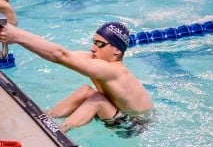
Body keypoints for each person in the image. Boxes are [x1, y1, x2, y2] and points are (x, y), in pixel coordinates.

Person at [0, 22, 153, 132]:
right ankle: (46, 118)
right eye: (94, 42)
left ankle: (59, 132)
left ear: (116, 51)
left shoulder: (113, 71)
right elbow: (60, 53)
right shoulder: (96, 61)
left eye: (100, 44)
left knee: (97, 100)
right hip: (117, 114)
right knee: (86, 90)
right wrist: (13, 34)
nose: (93, 48)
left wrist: (18, 36)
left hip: (134, 127)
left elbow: (60, 55)